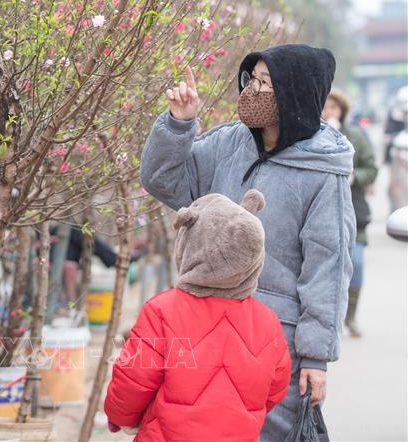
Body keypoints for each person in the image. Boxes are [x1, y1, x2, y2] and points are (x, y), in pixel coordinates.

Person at [139, 44, 355, 440]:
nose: (253, 91)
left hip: (273, 338)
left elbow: (328, 266)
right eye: (251, 80)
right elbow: (165, 182)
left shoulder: (324, 172)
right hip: (204, 323)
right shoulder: (229, 143)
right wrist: (178, 126)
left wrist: (316, 356)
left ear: (294, 94)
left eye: (266, 84)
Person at [105, 190, 291, 441]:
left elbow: (135, 378)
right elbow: (276, 388)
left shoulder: (162, 311)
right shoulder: (267, 321)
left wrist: (122, 418)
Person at [322, 89, 378, 337]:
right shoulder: (310, 135)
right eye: (325, 107)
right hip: (322, 213)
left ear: (342, 110)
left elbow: (371, 167)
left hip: (354, 210)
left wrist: (356, 177)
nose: (329, 112)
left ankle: (350, 317)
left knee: (355, 263)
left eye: (334, 107)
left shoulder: (355, 135)